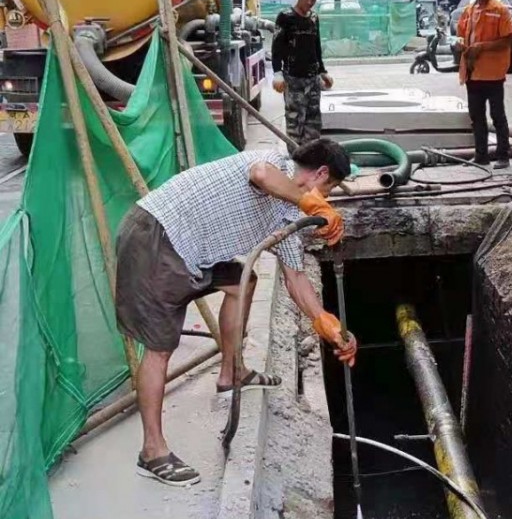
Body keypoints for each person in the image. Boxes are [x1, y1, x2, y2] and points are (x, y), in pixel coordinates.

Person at [115, 139, 358, 487]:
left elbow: (295, 279)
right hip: (156, 238)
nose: (327, 199)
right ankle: (152, 451)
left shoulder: (288, 210)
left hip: (190, 250)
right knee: (160, 349)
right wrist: (310, 200)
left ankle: (232, 372)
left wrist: (328, 325)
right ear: (320, 173)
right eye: (330, 187)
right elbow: (260, 174)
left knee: (242, 283)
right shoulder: (270, 162)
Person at [456, 0, 512, 169]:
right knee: (476, 117)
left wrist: (482, 47)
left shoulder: (499, 10)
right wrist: (458, 45)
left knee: (497, 115)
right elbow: (461, 35)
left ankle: (503, 155)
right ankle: (481, 155)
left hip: (493, 74)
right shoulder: (469, 10)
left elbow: (508, 39)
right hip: (473, 73)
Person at [271, 0, 334, 144]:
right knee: (295, 125)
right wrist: (277, 73)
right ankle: (296, 162)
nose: (310, 2)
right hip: (293, 79)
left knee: (313, 124)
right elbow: (277, 48)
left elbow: (316, 47)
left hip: (312, 80)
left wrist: (322, 71)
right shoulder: (285, 18)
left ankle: (311, 161)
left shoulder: (313, 18)